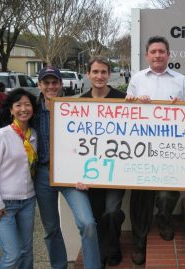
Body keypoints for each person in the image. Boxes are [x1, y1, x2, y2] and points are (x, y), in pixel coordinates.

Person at [126, 35, 185, 265]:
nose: (157, 55)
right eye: (153, 51)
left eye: (161, 51)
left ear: (168, 54)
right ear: (147, 55)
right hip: (141, 147)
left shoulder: (181, 81)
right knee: (140, 196)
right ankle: (139, 241)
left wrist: (181, 105)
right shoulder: (136, 79)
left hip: (170, 147)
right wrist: (136, 102)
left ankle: (164, 219)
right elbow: (126, 110)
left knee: (167, 193)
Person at [34, 66, 101, 269]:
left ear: (61, 84)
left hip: (72, 175)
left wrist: (87, 172)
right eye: (47, 83)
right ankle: (59, 266)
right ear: (40, 85)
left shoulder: (76, 106)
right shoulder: (31, 110)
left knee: (87, 223)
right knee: (51, 229)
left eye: (55, 82)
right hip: (43, 175)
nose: (51, 86)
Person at [79, 56, 126, 267]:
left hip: (118, 170)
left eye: (103, 72)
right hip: (90, 171)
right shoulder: (79, 103)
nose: (99, 76)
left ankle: (112, 249)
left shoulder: (123, 99)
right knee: (98, 214)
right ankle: (107, 249)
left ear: (109, 74)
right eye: (95, 72)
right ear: (88, 74)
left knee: (112, 211)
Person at [0, 88, 38, 269]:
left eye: (27, 105)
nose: (23, 109)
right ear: (11, 110)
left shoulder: (34, 135)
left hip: (28, 201)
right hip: (5, 204)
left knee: (26, 252)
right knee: (12, 254)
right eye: (18, 105)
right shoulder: (2, 135)